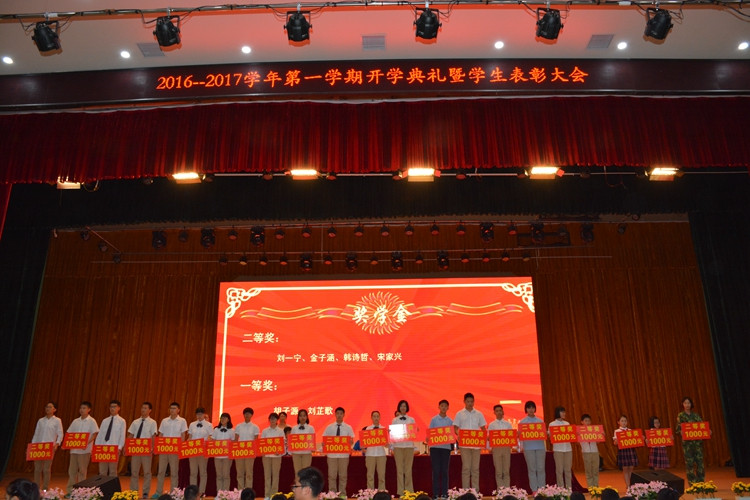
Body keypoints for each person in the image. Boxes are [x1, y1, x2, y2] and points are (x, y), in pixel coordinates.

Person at [453, 392, 486, 490]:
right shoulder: (459, 414)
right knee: (466, 468)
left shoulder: (479, 414)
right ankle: (465, 491)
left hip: (476, 445)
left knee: (475, 468)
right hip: (464, 445)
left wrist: (484, 437)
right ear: (464, 402)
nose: (470, 403)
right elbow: (455, 427)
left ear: (474, 402)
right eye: (468, 401)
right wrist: (458, 434)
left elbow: (483, 428)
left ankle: (476, 491)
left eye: (471, 401)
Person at [154, 402, 188, 497]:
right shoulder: (164, 421)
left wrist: (181, 448)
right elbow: (161, 434)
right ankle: (158, 492)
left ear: (178, 410)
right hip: (164, 449)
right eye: (171, 408)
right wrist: (158, 447)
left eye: (174, 408)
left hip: (175, 450)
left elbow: (183, 435)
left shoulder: (182, 421)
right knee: (161, 471)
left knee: (174, 472)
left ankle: (174, 493)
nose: (172, 410)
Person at [66, 401, 99, 494]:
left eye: (84, 408)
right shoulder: (75, 421)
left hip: (85, 450)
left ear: (89, 409)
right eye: (80, 408)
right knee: (72, 471)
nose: (82, 410)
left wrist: (86, 443)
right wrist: (67, 444)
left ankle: (81, 492)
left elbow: (95, 434)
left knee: (82, 471)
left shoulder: (92, 421)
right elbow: (69, 433)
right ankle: (70, 491)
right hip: (74, 450)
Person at [31, 401, 64, 491]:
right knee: (37, 469)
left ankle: (45, 489)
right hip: (39, 447)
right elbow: (36, 434)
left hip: (49, 447)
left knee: (46, 469)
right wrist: (32, 446)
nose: (47, 408)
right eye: (46, 407)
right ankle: (36, 488)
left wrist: (57, 443)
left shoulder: (57, 420)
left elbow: (60, 433)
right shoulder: (41, 420)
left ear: (54, 409)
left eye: (50, 407)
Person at [128, 402, 159, 498]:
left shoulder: (152, 422)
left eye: (145, 408)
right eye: (142, 408)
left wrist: (153, 447)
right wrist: (127, 446)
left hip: (146, 450)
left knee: (147, 472)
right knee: (134, 472)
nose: (143, 410)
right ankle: (133, 492)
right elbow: (131, 435)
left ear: (150, 410)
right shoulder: (135, 422)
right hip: (135, 449)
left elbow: (153, 436)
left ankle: (145, 492)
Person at [322, 407, 355, 495]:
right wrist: (324, 444)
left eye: (341, 413)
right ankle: (332, 494)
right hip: (332, 455)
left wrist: (351, 442)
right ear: (335, 414)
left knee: (343, 476)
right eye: (338, 413)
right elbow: (324, 440)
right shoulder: (329, 427)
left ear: (344, 415)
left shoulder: (348, 427)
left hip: (344, 455)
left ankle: (342, 494)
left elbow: (352, 440)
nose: (339, 415)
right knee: (332, 476)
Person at [675, 397, 706, 483]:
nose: (687, 405)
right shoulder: (681, 415)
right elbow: (677, 429)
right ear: (682, 404)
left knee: (700, 463)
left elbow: (702, 426)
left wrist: (707, 431)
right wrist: (681, 432)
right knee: (689, 463)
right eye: (685, 403)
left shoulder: (696, 415)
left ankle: (701, 482)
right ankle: (692, 482)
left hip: (697, 443)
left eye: (688, 403)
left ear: (691, 404)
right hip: (687, 444)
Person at [518, 400, 545, 493]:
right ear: (526, 409)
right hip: (528, 448)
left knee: (541, 468)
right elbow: (520, 437)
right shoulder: (522, 422)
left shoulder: (540, 421)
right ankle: (534, 490)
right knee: (532, 469)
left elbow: (543, 435)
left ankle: (542, 489)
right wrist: (521, 446)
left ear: (535, 409)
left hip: (540, 447)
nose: (531, 409)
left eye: (532, 407)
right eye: (529, 408)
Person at [95, 399, 127, 476]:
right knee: (102, 471)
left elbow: (122, 435)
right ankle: (103, 484)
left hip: (114, 448)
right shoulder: (105, 421)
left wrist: (119, 448)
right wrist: (96, 447)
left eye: (114, 407)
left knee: (113, 471)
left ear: (119, 408)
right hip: (103, 448)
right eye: (111, 407)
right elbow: (100, 435)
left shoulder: (122, 421)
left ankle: (112, 484)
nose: (112, 408)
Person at [392, 400, 416, 495]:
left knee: (408, 470)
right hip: (398, 447)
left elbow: (413, 433)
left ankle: (409, 491)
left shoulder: (411, 420)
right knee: (399, 470)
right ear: (399, 407)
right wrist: (392, 447)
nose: (403, 408)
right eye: (401, 406)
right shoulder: (395, 420)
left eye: (404, 406)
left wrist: (415, 430)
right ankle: (401, 492)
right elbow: (392, 435)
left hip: (409, 447)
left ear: (407, 408)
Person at [429, 400, 452, 499]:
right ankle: (435, 493)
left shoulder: (450, 421)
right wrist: (428, 438)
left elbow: (451, 434)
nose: (443, 408)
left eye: (445, 406)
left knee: (444, 471)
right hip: (435, 448)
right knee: (436, 471)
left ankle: (444, 493)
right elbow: (430, 433)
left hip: (446, 448)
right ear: (439, 407)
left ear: (448, 408)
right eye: (442, 406)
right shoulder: (434, 420)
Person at [188, 407, 212, 497]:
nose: (199, 416)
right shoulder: (192, 424)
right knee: (193, 472)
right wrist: (186, 444)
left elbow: (210, 437)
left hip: (203, 451)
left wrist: (206, 443)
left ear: (204, 414)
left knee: (203, 472)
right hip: (193, 451)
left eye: (201, 414)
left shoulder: (209, 425)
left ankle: (201, 491)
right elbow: (190, 437)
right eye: (198, 414)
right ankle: (193, 491)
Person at [261, 412, 285, 499]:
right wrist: (263, 452)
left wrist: (280, 451)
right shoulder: (265, 431)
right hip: (266, 456)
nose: (272, 420)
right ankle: (267, 495)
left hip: (277, 457)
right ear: (269, 420)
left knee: (275, 476)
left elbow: (283, 443)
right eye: (271, 418)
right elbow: (262, 443)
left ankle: (274, 495)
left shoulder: (280, 431)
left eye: (274, 418)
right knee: (267, 476)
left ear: (277, 420)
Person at [487, 404, 513, 489]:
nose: (499, 412)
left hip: (506, 448)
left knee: (506, 471)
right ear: (494, 413)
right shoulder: (491, 425)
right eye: (497, 411)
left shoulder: (508, 424)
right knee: (498, 471)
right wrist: (489, 448)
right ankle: (500, 490)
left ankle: (507, 490)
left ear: (503, 412)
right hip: (496, 449)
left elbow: (511, 436)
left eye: (500, 411)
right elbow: (489, 438)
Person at [235, 407, 261, 490]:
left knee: (249, 473)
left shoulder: (255, 427)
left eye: (249, 413)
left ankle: (248, 491)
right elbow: (236, 440)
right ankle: (240, 491)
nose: (247, 415)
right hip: (239, 452)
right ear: (243, 415)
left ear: (251, 415)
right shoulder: (238, 426)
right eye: (245, 413)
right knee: (240, 473)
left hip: (250, 452)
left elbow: (256, 441)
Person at [548, 406, 573, 488]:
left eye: (564, 412)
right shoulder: (552, 424)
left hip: (568, 449)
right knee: (559, 470)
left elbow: (571, 435)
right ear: (557, 413)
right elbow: (551, 437)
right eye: (562, 412)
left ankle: (569, 488)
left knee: (568, 470)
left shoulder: (567, 423)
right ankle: (561, 488)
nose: (564, 413)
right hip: (558, 449)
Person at [363, 410, 387, 490]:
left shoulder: (383, 429)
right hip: (370, 454)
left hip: (381, 454)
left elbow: (387, 444)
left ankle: (382, 492)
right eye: (374, 416)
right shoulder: (367, 429)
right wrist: (363, 447)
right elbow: (364, 443)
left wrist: (388, 442)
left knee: (381, 476)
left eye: (377, 416)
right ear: (371, 418)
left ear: (379, 418)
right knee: (370, 475)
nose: (376, 418)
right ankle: (370, 493)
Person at [213, 412, 236, 491]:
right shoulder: (216, 430)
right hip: (217, 456)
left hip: (227, 456)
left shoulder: (232, 430)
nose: (222, 419)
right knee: (219, 475)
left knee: (226, 475)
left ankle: (226, 493)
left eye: (224, 418)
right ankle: (219, 493)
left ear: (228, 420)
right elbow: (213, 441)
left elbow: (233, 443)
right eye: (221, 418)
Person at [613, 414, 637, 487]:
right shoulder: (617, 431)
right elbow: (615, 443)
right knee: (625, 469)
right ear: (618, 422)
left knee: (631, 468)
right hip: (623, 451)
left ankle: (631, 484)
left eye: (625, 421)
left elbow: (635, 441)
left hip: (630, 450)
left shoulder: (630, 430)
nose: (624, 422)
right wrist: (617, 440)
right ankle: (628, 485)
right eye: (622, 421)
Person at [290, 409, 315, 473]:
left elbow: (312, 440)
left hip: (307, 453)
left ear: (307, 417)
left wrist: (313, 448)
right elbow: (291, 441)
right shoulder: (294, 428)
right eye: (300, 416)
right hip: (296, 453)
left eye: (304, 416)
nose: (302, 417)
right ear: (298, 417)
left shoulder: (310, 428)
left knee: (306, 472)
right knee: (297, 472)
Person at [578, 414, 600, 488]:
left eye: (589, 421)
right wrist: (577, 435)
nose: (587, 422)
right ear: (582, 422)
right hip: (586, 452)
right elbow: (577, 441)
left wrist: (601, 435)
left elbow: (598, 441)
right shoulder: (579, 431)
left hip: (595, 451)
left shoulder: (594, 430)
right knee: (588, 471)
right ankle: (590, 487)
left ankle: (596, 486)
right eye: (586, 421)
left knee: (595, 470)